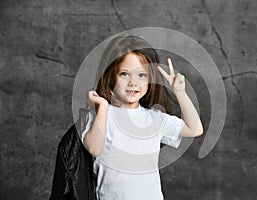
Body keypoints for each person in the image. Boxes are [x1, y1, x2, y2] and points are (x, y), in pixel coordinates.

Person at [81, 35, 203, 200]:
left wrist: (180, 92)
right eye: (124, 74)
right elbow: (94, 148)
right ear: (110, 76)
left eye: (141, 75)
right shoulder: (99, 116)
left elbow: (195, 129)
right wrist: (102, 106)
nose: (133, 82)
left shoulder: (154, 119)